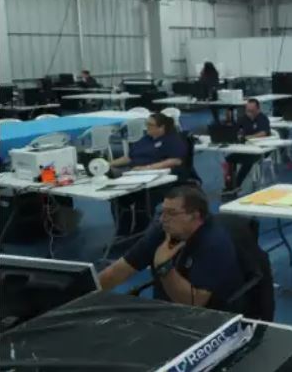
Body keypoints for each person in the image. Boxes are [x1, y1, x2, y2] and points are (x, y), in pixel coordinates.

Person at [98, 185, 244, 309]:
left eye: (171, 213)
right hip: (166, 308)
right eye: (162, 211)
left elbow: (194, 304)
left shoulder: (214, 243)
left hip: (207, 315)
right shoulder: (163, 231)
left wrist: (164, 267)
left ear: (195, 216)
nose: (163, 219)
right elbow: (120, 270)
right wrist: (88, 292)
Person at [111, 113, 188, 177]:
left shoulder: (172, 140)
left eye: (150, 125)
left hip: (150, 173)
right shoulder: (146, 139)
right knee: (107, 171)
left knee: (111, 175)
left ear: (161, 127)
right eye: (146, 124)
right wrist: (109, 164)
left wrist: (147, 168)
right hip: (132, 169)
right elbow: (129, 158)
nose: (146, 127)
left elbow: (175, 161)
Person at [225, 99, 270, 193]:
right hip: (246, 149)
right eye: (247, 110)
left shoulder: (263, 118)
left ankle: (237, 184)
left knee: (248, 161)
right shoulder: (244, 118)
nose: (249, 113)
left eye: (251, 111)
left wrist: (248, 137)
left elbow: (264, 133)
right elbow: (235, 129)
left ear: (258, 109)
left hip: (261, 150)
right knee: (229, 159)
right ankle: (230, 184)